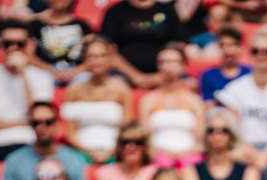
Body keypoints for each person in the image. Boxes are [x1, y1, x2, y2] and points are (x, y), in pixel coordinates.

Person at [0, 19, 54, 179]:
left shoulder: (42, 77)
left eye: (19, 44)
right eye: (8, 43)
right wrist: (22, 122)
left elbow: (39, 118)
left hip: (30, 140)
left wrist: (23, 74)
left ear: (29, 45)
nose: (13, 49)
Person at [214, 29, 267, 168]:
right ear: (250, 53)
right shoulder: (235, 89)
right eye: (256, 50)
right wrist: (254, 155)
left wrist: (266, 156)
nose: (262, 55)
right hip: (243, 147)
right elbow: (231, 130)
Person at [2, 100, 85, 180]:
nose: (42, 127)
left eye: (48, 122)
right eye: (36, 122)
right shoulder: (14, 160)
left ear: (57, 123)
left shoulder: (74, 160)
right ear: (30, 125)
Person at [62, 35, 132, 165]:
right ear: (85, 59)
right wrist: (90, 151)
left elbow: (126, 130)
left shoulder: (122, 89)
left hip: (115, 150)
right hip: (80, 151)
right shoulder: (73, 91)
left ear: (110, 58)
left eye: (102, 56)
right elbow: (70, 134)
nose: (97, 61)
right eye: (92, 56)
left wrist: (110, 151)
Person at [139, 45, 204, 166]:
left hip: (189, 155)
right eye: (163, 62)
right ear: (158, 66)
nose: (168, 66)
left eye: (173, 62)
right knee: (161, 162)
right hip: (158, 155)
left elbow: (200, 140)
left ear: (183, 66)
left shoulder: (194, 100)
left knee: (192, 165)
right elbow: (144, 137)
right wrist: (163, 152)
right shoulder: (148, 100)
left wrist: (186, 152)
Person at [100, 0, 187, 89]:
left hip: (164, 72)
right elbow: (108, 49)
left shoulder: (167, 10)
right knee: (112, 85)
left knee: (188, 83)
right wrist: (135, 76)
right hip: (124, 72)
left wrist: (161, 76)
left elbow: (179, 45)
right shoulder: (115, 11)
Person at [28, 0, 92, 85]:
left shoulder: (82, 25)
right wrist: (50, 71)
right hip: (45, 70)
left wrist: (76, 71)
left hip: (77, 71)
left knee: (86, 79)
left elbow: (93, 54)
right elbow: (29, 55)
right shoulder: (36, 25)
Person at [197, 24, 250, 104]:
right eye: (223, 45)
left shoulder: (250, 74)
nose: (227, 49)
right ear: (218, 47)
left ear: (240, 47)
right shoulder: (207, 75)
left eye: (232, 44)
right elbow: (207, 105)